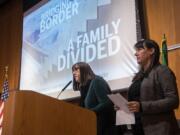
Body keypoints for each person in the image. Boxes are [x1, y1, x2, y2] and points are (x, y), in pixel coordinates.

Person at [125, 39, 179, 135]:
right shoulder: (138, 76)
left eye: (139, 49)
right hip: (138, 127)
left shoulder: (162, 71)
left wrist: (142, 106)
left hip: (159, 129)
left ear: (151, 51)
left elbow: (173, 101)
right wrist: (124, 106)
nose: (135, 54)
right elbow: (137, 99)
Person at [72, 62, 116, 135]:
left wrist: (88, 113)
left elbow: (106, 103)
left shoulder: (97, 81)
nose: (74, 73)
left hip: (104, 129)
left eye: (76, 69)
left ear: (84, 70)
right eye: (73, 70)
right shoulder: (84, 88)